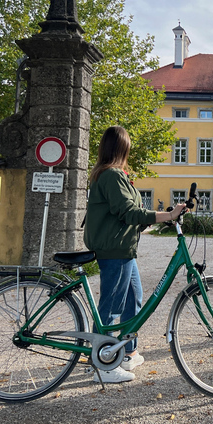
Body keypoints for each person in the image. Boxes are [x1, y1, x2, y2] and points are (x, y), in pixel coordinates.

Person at [84, 126, 187, 384]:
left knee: (133, 298)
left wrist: (155, 218)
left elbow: (125, 214)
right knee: (112, 305)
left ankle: (127, 352)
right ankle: (101, 363)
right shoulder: (110, 176)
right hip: (115, 249)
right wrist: (168, 215)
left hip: (123, 248)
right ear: (122, 149)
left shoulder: (114, 175)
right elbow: (128, 212)